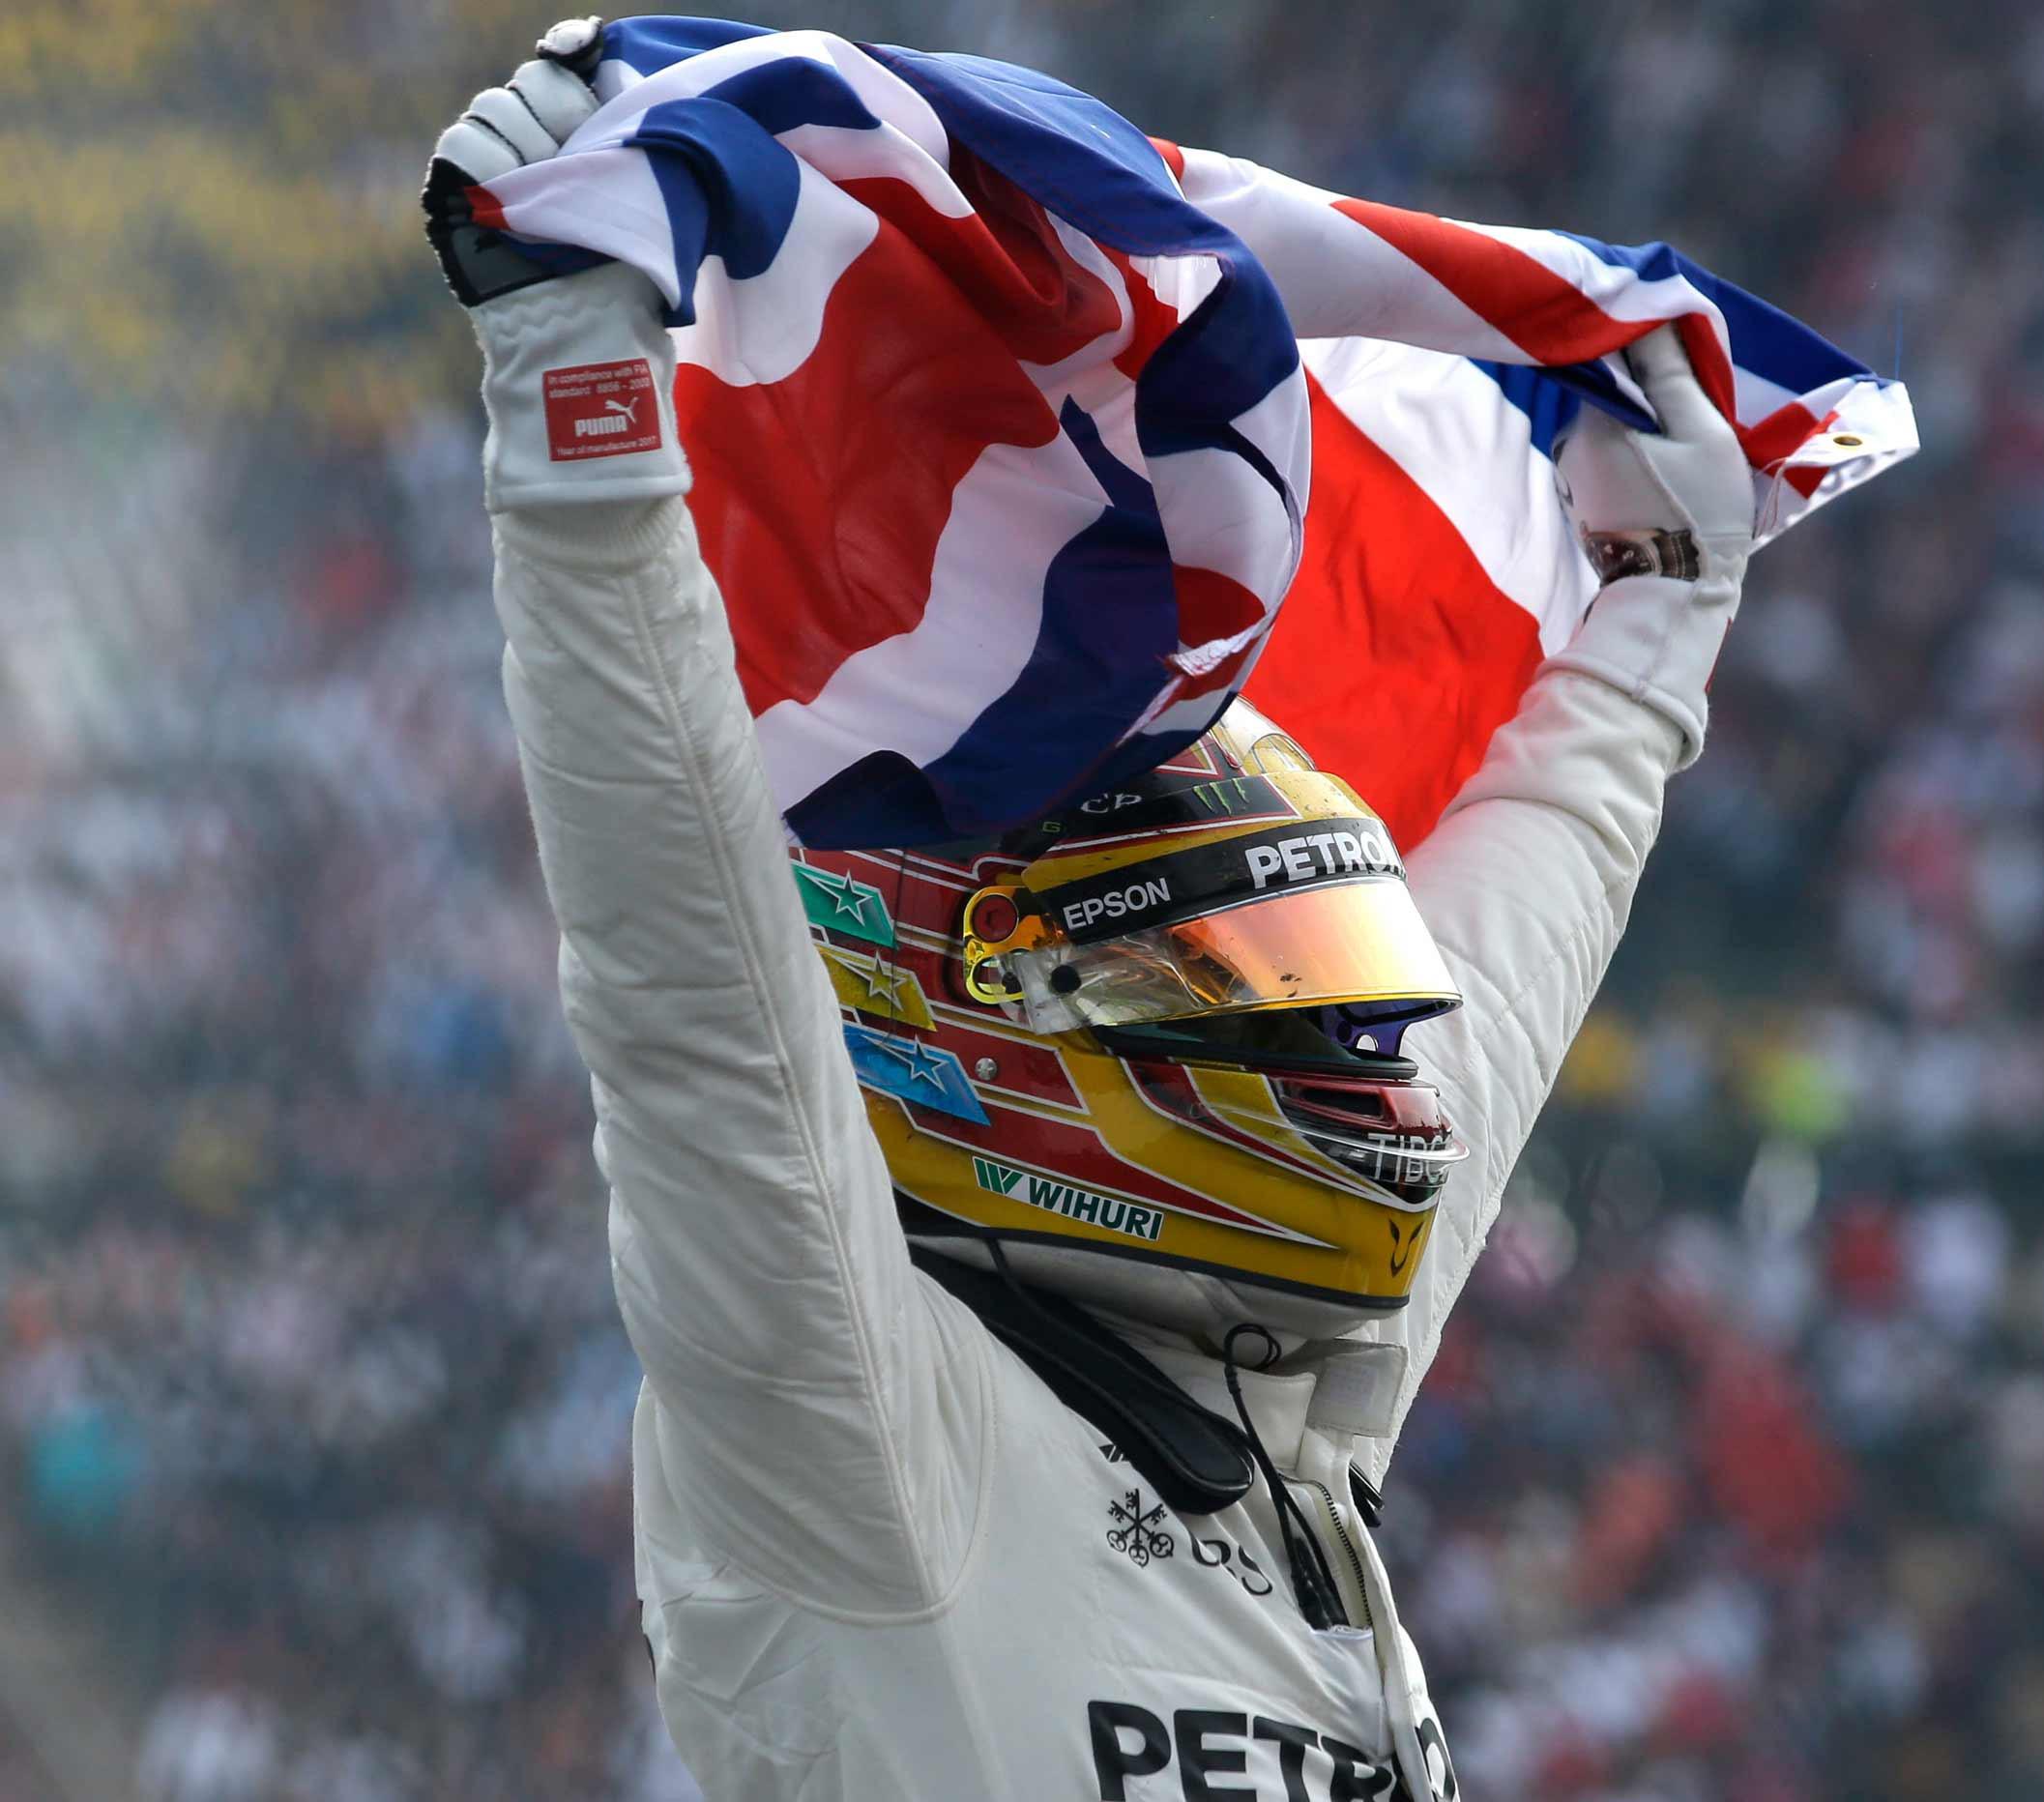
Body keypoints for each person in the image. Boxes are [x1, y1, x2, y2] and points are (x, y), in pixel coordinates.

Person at [423, 22, 1758, 1799]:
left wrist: (1661, 612)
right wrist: (575, 395)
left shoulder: (1281, 1415)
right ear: (991, 1035)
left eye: (1335, 984)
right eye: (1261, 991)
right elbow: (685, 986)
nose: (1364, 1062)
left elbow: (1488, 1007)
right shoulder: (870, 1447)